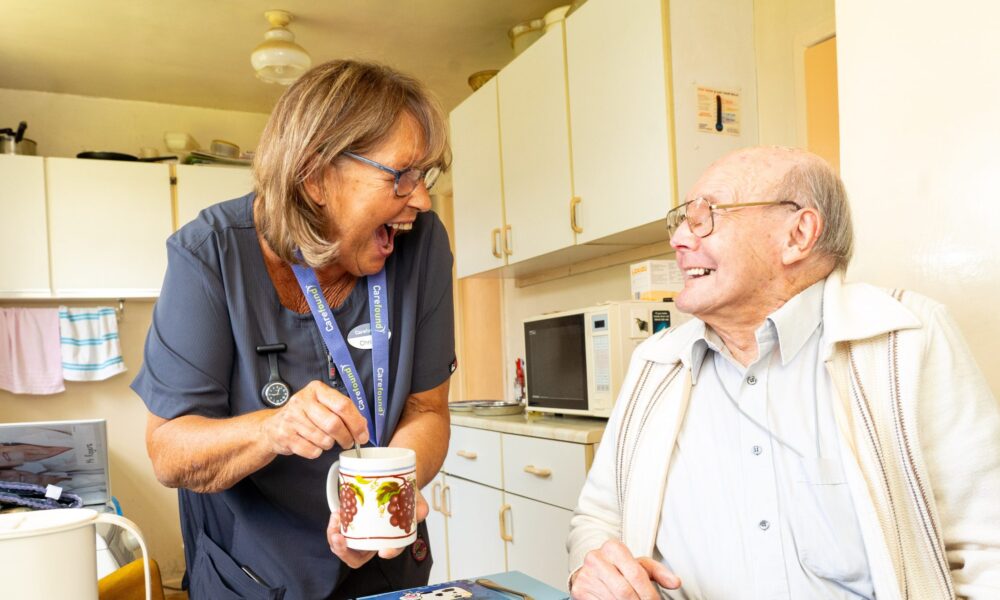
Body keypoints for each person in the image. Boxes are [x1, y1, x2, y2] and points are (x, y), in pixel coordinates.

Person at [567, 146, 1000, 599]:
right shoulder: (656, 361)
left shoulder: (908, 338)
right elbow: (598, 517)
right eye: (680, 221)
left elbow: (987, 555)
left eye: (705, 216)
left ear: (799, 234)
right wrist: (591, 570)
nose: (679, 240)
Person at [132, 60, 455, 600]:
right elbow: (168, 450)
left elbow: (427, 409)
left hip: (383, 566)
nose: (420, 199)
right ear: (316, 175)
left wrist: (387, 493)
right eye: (401, 175)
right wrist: (272, 429)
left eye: (425, 175)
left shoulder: (421, 244)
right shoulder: (208, 255)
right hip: (252, 576)